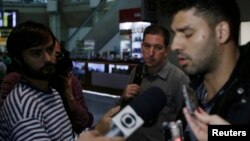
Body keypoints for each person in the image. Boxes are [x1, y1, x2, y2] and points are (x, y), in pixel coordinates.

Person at [0, 21, 123, 141]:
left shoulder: (52, 92)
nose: (48, 59)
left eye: (49, 50)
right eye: (36, 53)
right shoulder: (23, 105)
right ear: (17, 60)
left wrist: (97, 130)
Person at [167, 0, 250, 140]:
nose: (174, 45)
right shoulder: (193, 91)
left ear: (222, 32)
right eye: (175, 34)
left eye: (188, 33)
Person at [0, 39, 94, 134]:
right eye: (37, 53)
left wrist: (69, 97)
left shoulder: (69, 81)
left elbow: (86, 122)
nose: (48, 59)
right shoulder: (15, 83)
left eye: (52, 52)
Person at [118, 25, 190, 141]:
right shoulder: (136, 72)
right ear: (142, 47)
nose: (150, 53)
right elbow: (123, 112)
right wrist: (124, 98)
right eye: (147, 46)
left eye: (158, 48)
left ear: (166, 50)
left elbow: (188, 123)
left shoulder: (179, 79)